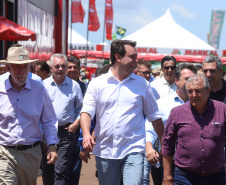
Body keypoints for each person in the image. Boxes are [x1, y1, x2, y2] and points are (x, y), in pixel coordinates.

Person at [80, 39, 164, 185]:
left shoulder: (142, 84)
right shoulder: (97, 84)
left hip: (134, 149)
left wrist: (164, 142)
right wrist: (86, 134)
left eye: (136, 57)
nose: (135, 61)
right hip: (105, 150)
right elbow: (86, 112)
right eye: (132, 57)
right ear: (118, 57)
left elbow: (154, 116)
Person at [0, 44, 58, 185]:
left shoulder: (38, 88)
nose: (22, 71)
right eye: (17, 66)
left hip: (31, 153)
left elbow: (49, 119)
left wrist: (51, 144)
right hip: (4, 152)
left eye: (25, 66)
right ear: (8, 69)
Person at [162, 74, 226, 185]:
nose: (194, 95)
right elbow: (168, 145)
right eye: (190, 91)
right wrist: (167, 177)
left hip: (216, 176)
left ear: (208, 91)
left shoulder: (222, 110)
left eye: (198, 91)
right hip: (185, 177)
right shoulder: (177, 113)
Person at [144, 63, 197, 185]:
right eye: (187, 79)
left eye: (194, 79)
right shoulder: (162, 104)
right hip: (167, 161)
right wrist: (149, 147)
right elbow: (150, 129)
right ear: (177, 81)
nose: (191, 82)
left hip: (194, 163)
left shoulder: (201, 106)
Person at [43, 53, 83, 185]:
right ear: (51, 68)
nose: (60, 69)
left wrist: (76, 123)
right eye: (57, 66)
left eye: (63, 66)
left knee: (61, 170)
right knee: (48, 170)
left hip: (66, 133)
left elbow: (81, 109)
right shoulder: (43, 85)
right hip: (46, 134)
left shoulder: (74, 86)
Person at [66, 56, 86, 185]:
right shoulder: (58, 85)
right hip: (60, 133)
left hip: (78, 136)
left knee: (74, 171)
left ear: (79, 69)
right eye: (70, 67)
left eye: (75, 67)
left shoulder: (85, 87)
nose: (72, 70)